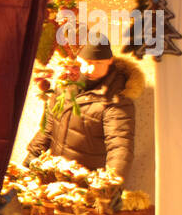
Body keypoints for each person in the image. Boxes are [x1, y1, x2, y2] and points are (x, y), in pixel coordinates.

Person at [26, 37, 143, 183]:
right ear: (79, 60)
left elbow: (120, 147)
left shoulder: (117, 99)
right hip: (52, 176)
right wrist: (32, 156)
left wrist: (111, 185)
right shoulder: (65, 84)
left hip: (84, 185)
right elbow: (49, 126)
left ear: (110, 61)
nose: (91, 69)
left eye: (98, 63)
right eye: (86, 63)